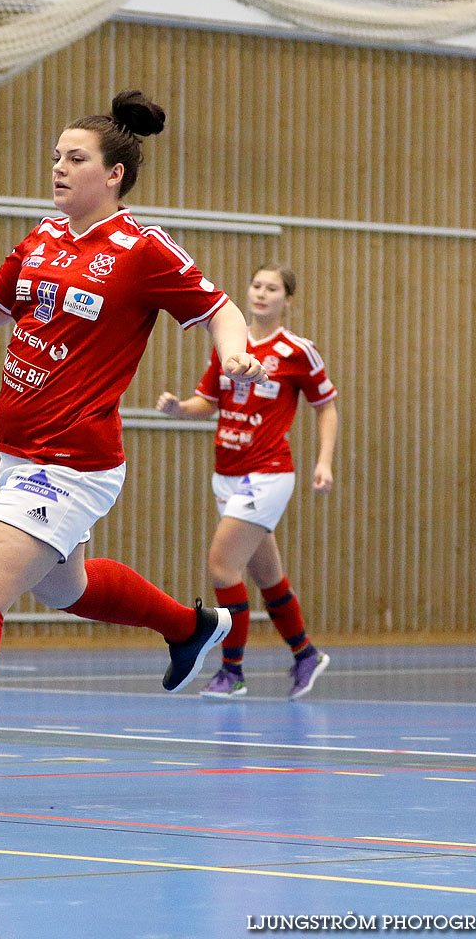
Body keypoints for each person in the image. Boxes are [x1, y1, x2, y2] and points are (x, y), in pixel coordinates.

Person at [0, 91, 268, 797]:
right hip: (21, 453)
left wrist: (236, 353)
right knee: (70, 587)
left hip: (71, 459)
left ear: (113, 173)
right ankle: (190, 627)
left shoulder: (143, 249)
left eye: (74, 158)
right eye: (55, 157)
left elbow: (221, 310)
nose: (58, 168)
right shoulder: (42, 236)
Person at [156, 264, 338, 700]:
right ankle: (305, 653)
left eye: (272, 288)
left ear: (286, 300)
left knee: (222, 565)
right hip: (227, 474)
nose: (261, 294)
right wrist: (180, 408)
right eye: (256, 285)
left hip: (269, 473)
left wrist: (324, 461)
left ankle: (232, 670)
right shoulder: (228, 346)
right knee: (268, 577)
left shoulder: (298, 351)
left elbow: (326, 406)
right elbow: (208, 401)